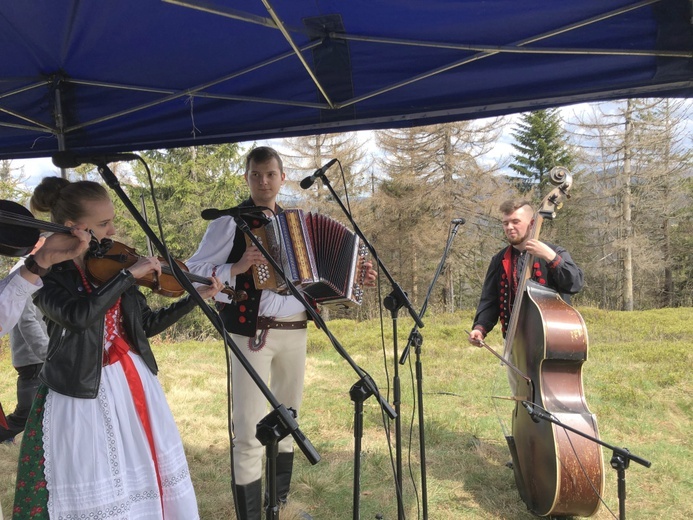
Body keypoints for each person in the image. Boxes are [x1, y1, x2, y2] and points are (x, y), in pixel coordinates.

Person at [11, 177, 223, 520]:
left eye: (112, 219)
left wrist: (194, 299)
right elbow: (77, 316)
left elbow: (147, 324)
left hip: (132, 381)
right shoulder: (44, 271)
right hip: (79, 389)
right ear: (72, 227)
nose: (113, 229)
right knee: (95, 473)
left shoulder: (113, 260)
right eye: (103, 224)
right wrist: (125, 277)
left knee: (140, 468)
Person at [187, 146, 376, 520]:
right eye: (256, 175)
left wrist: (358, 279)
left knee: (288, 418)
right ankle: (251, 515)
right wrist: (237, 266)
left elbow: (320, 278)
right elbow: (193, 269)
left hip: (296, 332)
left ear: (282, 177)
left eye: (270, 174)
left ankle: (280, 505)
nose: (263, 181)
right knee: (247, 426)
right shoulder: (229, 222)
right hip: (250, 332)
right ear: (247, 177)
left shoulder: (296, 223)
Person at [468, 199, 584, 349]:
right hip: (515, 344)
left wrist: (551, 257)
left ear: (532, 223)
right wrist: (480, 328)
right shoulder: (499, 260)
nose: (509, 227)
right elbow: (490, 300)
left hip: (554, 342)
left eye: (515, 221)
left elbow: (575, 284)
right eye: (505, 223)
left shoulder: (554, 252)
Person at [0, 238, 50, 445]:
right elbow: (26, 319)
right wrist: (46, 353)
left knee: (40, 409)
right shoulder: (27, 271)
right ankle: (4, 434)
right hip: (33, 356)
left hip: (37, 353)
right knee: (27, 411)